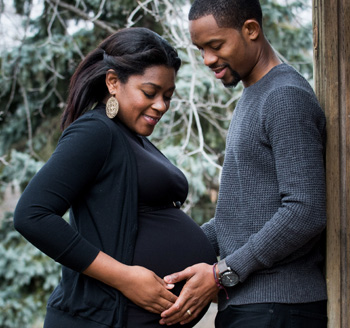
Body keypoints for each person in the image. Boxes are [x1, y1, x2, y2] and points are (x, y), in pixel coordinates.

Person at [13, 27, 217, 328]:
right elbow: (32, 214)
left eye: (168, 96)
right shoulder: (96, 131)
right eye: (150, 92)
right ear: (112, 82)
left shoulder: (132, 138)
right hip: (97, 319)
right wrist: (126, 278)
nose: (161, 105)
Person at [159, 1, 328, 327]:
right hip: (253, 306)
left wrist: (222, 273)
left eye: (216, 45)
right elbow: (238, 220)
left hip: (279, 307)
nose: (207, 59)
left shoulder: (284, 96)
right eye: (201, 49)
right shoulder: (255, 94)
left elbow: (305, 210)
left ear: (251, 30)